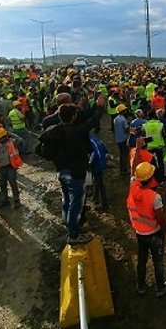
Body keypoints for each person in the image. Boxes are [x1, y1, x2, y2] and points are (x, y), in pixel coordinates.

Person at [42, 103, 99, 245]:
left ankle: (70, 226)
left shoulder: (53, 131)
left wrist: (58, 159)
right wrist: (99, 106)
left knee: (67, 200)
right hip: (75, 172)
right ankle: (73, 235)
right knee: (76, 205)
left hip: (62, 171)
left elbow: (41, 149)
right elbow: (93, 121)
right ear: (73, 117)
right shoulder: (76, 131)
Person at [127, 162, 166, 297]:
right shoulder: (154, 198)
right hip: (154, 233)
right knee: (158, 261)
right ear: (151, 178)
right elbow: (161, 219)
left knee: (142, 259)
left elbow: (133, 175)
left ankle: (140, 285)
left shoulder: (133, 187)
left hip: (139, 232)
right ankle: (160, 288)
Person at [0, 128, 23, 209]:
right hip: (0, 168)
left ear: (4, 136)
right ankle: (4, 201)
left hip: (10, 167)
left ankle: (16, 201)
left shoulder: (12, 142)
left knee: (13, 184)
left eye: (0, 138)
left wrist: (11, 134)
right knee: (2, 185)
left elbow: (20, 140)